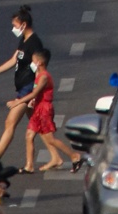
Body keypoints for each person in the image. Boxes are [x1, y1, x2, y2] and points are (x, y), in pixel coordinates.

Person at [0, 8, 45, 164]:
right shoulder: (24, 40)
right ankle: (62, 156)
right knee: (40, 126)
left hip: (28, 89)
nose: (13, 29)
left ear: (23, 24)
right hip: (23, 88)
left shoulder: (35, 43)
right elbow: (14, 60)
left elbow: (39, 69)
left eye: (15, 25)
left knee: (10, 123)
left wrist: (34, 94)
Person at [10, 46, 80, 174]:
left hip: (44, 110)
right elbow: (36, 93)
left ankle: (74, 156)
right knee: (29, 136)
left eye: (33, 61)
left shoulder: (44, 77)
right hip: (37, 108)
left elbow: (34, 92)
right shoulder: (38, 74)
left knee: (50, 139)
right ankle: (29, 166)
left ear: (39, 63)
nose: (32, 63)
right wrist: (33, 101)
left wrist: (17, 102)